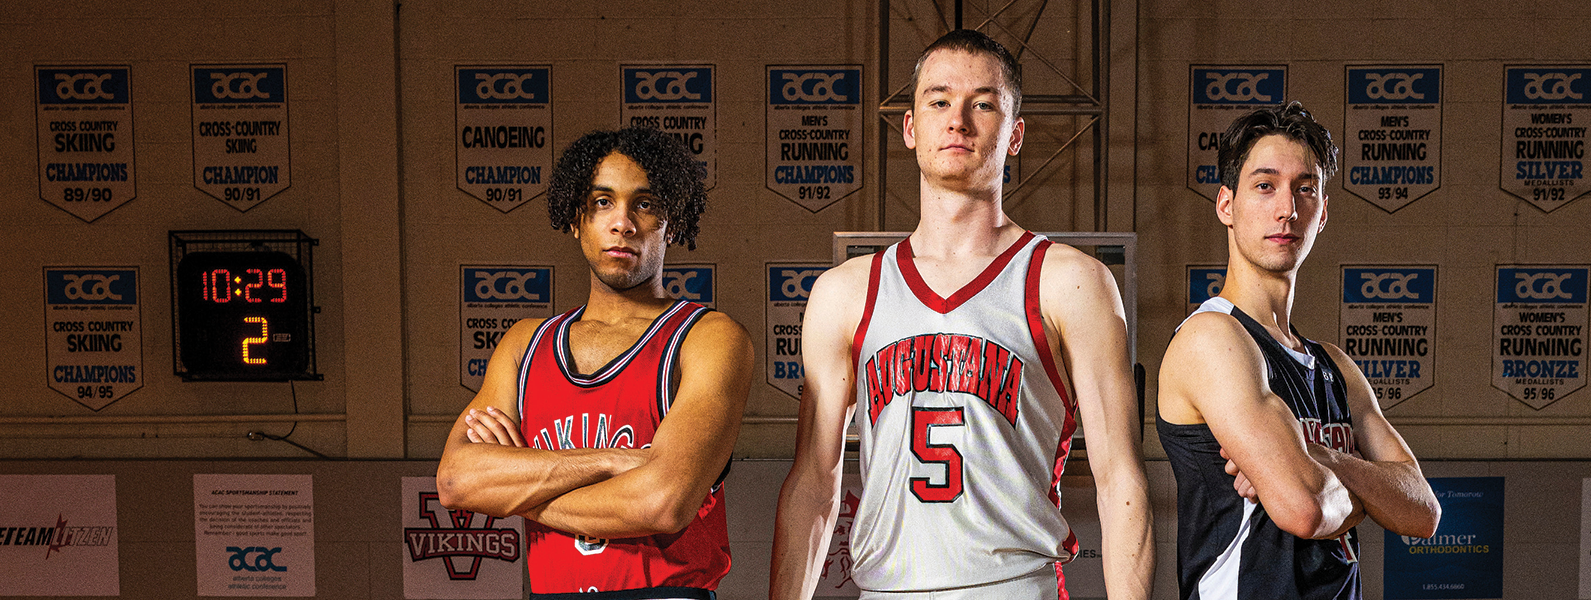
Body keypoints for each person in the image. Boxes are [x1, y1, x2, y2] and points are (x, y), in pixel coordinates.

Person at [769, 29, 1153, 600]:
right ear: (910, 127)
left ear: (1015, 135)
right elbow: (812, 485)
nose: (958, 121)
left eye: (984, 104)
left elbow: (1120, 478)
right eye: (939, 101)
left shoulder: (1070, 281)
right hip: (886, 590)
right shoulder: (845, 292)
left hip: (1015, 588)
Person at [437, 126, 752, 600]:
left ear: (672, 222)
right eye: (603, 202)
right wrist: (613, 461)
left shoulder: (708, 338)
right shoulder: (525, 344)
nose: (622, 222)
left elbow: (662, 503)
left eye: (645, 204)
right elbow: (457, 481)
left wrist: (517, 494)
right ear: (575, 219)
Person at [1156, 103, 1441, 599]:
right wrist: (1369, 493)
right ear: (1226, 205)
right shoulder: (1213, 338)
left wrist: (1319, 456)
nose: (1286, 208)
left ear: (1322, 212)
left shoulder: (1335, 367)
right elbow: (1305, 509)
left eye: (1304, 189)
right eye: (1265, 186)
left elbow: (1422, 512)